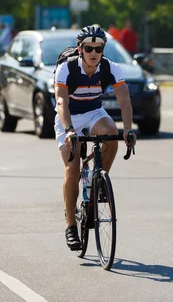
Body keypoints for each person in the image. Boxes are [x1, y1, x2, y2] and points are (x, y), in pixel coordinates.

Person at [54, 25, 137, 250]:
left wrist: (128, 129)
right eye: (88, 48)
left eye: (98, 49)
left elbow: (124, 101)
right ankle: (70, 224)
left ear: (103, 50)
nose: (93, 53)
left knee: (111, 132)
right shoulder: (66, 68)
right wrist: (69, 129)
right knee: (72, 169)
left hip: (93, 113)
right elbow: (61, 101)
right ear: (80, 49)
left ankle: (100, 180)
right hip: (69, 115)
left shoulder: (112, 68)